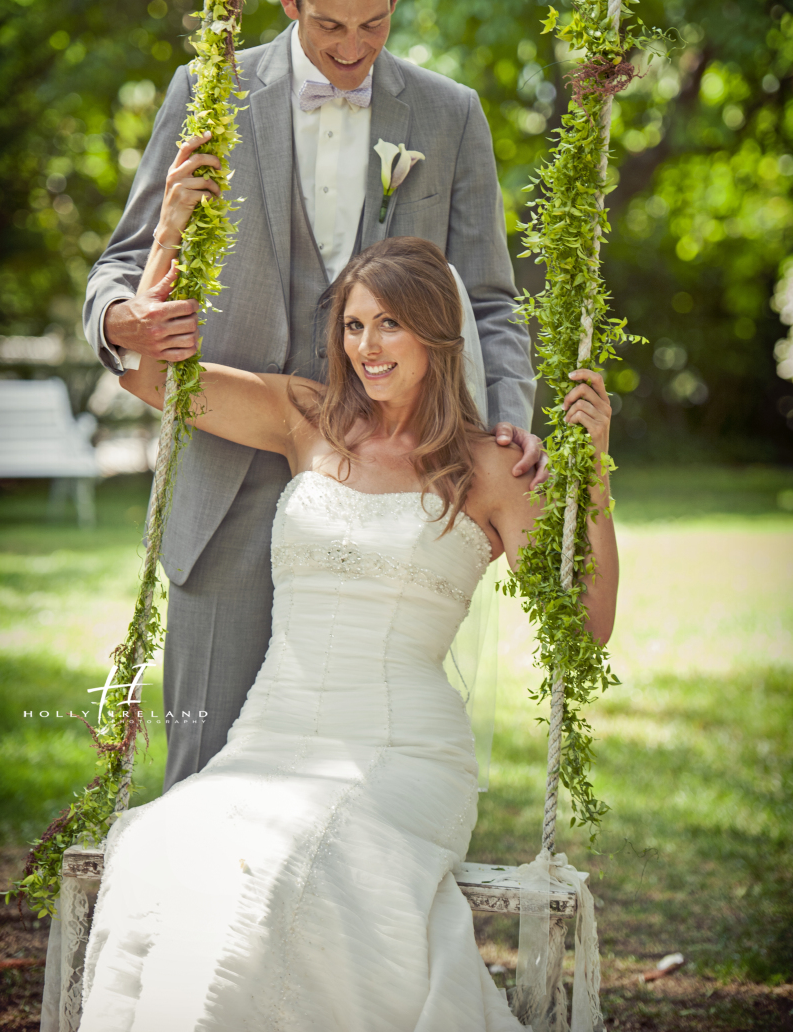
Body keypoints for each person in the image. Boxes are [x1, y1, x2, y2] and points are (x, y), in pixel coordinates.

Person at [78, 236, 617, 1032]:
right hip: (271, 738)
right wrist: (166, 241)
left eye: (389, 324)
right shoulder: (308, 418)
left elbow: (586, 632)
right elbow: (149, 377)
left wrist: (595, 473)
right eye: (355, 325)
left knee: (294, 864)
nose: (366, 347)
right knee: (173, 847)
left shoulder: (491, 467)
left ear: (437, 334)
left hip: (403, 754)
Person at [82, 0, 545, 792]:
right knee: (204, 772)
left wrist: (509, 423)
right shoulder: (209, 91)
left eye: (373, 24)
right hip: (225, 472)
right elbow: (124, 262)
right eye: (329, 23)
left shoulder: (449, 116)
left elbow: (488, 298)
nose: (350, 46)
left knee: (360, 770)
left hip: (381, 484)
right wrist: (117, 322)